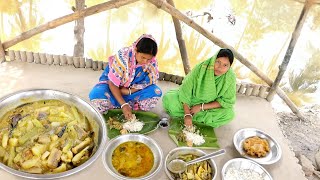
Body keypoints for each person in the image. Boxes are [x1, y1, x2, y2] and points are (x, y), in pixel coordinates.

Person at [89, 34, 162, 120]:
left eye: (149, 59)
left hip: (131, 91)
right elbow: (112, 83)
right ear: (135, 50)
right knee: (96, 94)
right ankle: (124, 104)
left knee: (156, 92)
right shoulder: (123, 57)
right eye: (143, 57)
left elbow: (148, 83)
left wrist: (129, 91)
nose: (145, 61)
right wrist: (123, 104)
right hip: (112, 88)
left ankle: (124, 104)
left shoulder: (152, 63)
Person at [162, 48, 236, 128]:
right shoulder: (201, 68)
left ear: (229, 67)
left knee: (229, 114)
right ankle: (197, 118)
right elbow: (186, 90)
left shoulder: (230, 77)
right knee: (169, 99)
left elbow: (226, 101)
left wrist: (201, 107)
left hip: (208, 106)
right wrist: (187, 113)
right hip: (190, 101)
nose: (220, 67)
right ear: (213, 60)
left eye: (225, 65)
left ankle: (192, 116)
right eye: (218, 62)